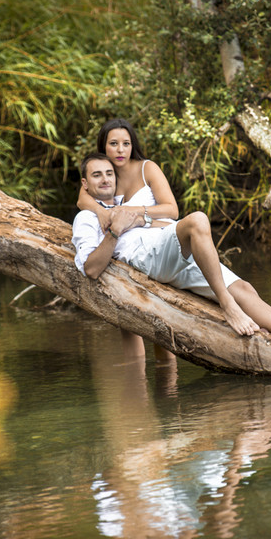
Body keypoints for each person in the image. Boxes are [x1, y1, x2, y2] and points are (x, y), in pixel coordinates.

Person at [72, 153, 271, 350]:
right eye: (97, 175)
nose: (105, 179)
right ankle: (227, 305)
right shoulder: (87, 217)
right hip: (149, 258)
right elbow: (91, 269)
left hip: (169, 251)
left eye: (109, 173)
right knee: (197, 221)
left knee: (245, 289)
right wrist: (115, 231)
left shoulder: (125, 204)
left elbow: (166, 221)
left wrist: (137, 219)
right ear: (85, 183)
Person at [77, 119, 179, 361]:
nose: (120, 150)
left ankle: (168, 378)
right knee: (129, 321)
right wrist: (101, 211)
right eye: (113, 144)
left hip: (156, 246)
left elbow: (172, 211)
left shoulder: (147, 168)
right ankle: (136, 380)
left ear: (133, 145)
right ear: (104, 146)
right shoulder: (104, 175)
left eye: (126, 143)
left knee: (161, 322)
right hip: (125, 252)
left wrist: (132, 211)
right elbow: (82, 200)